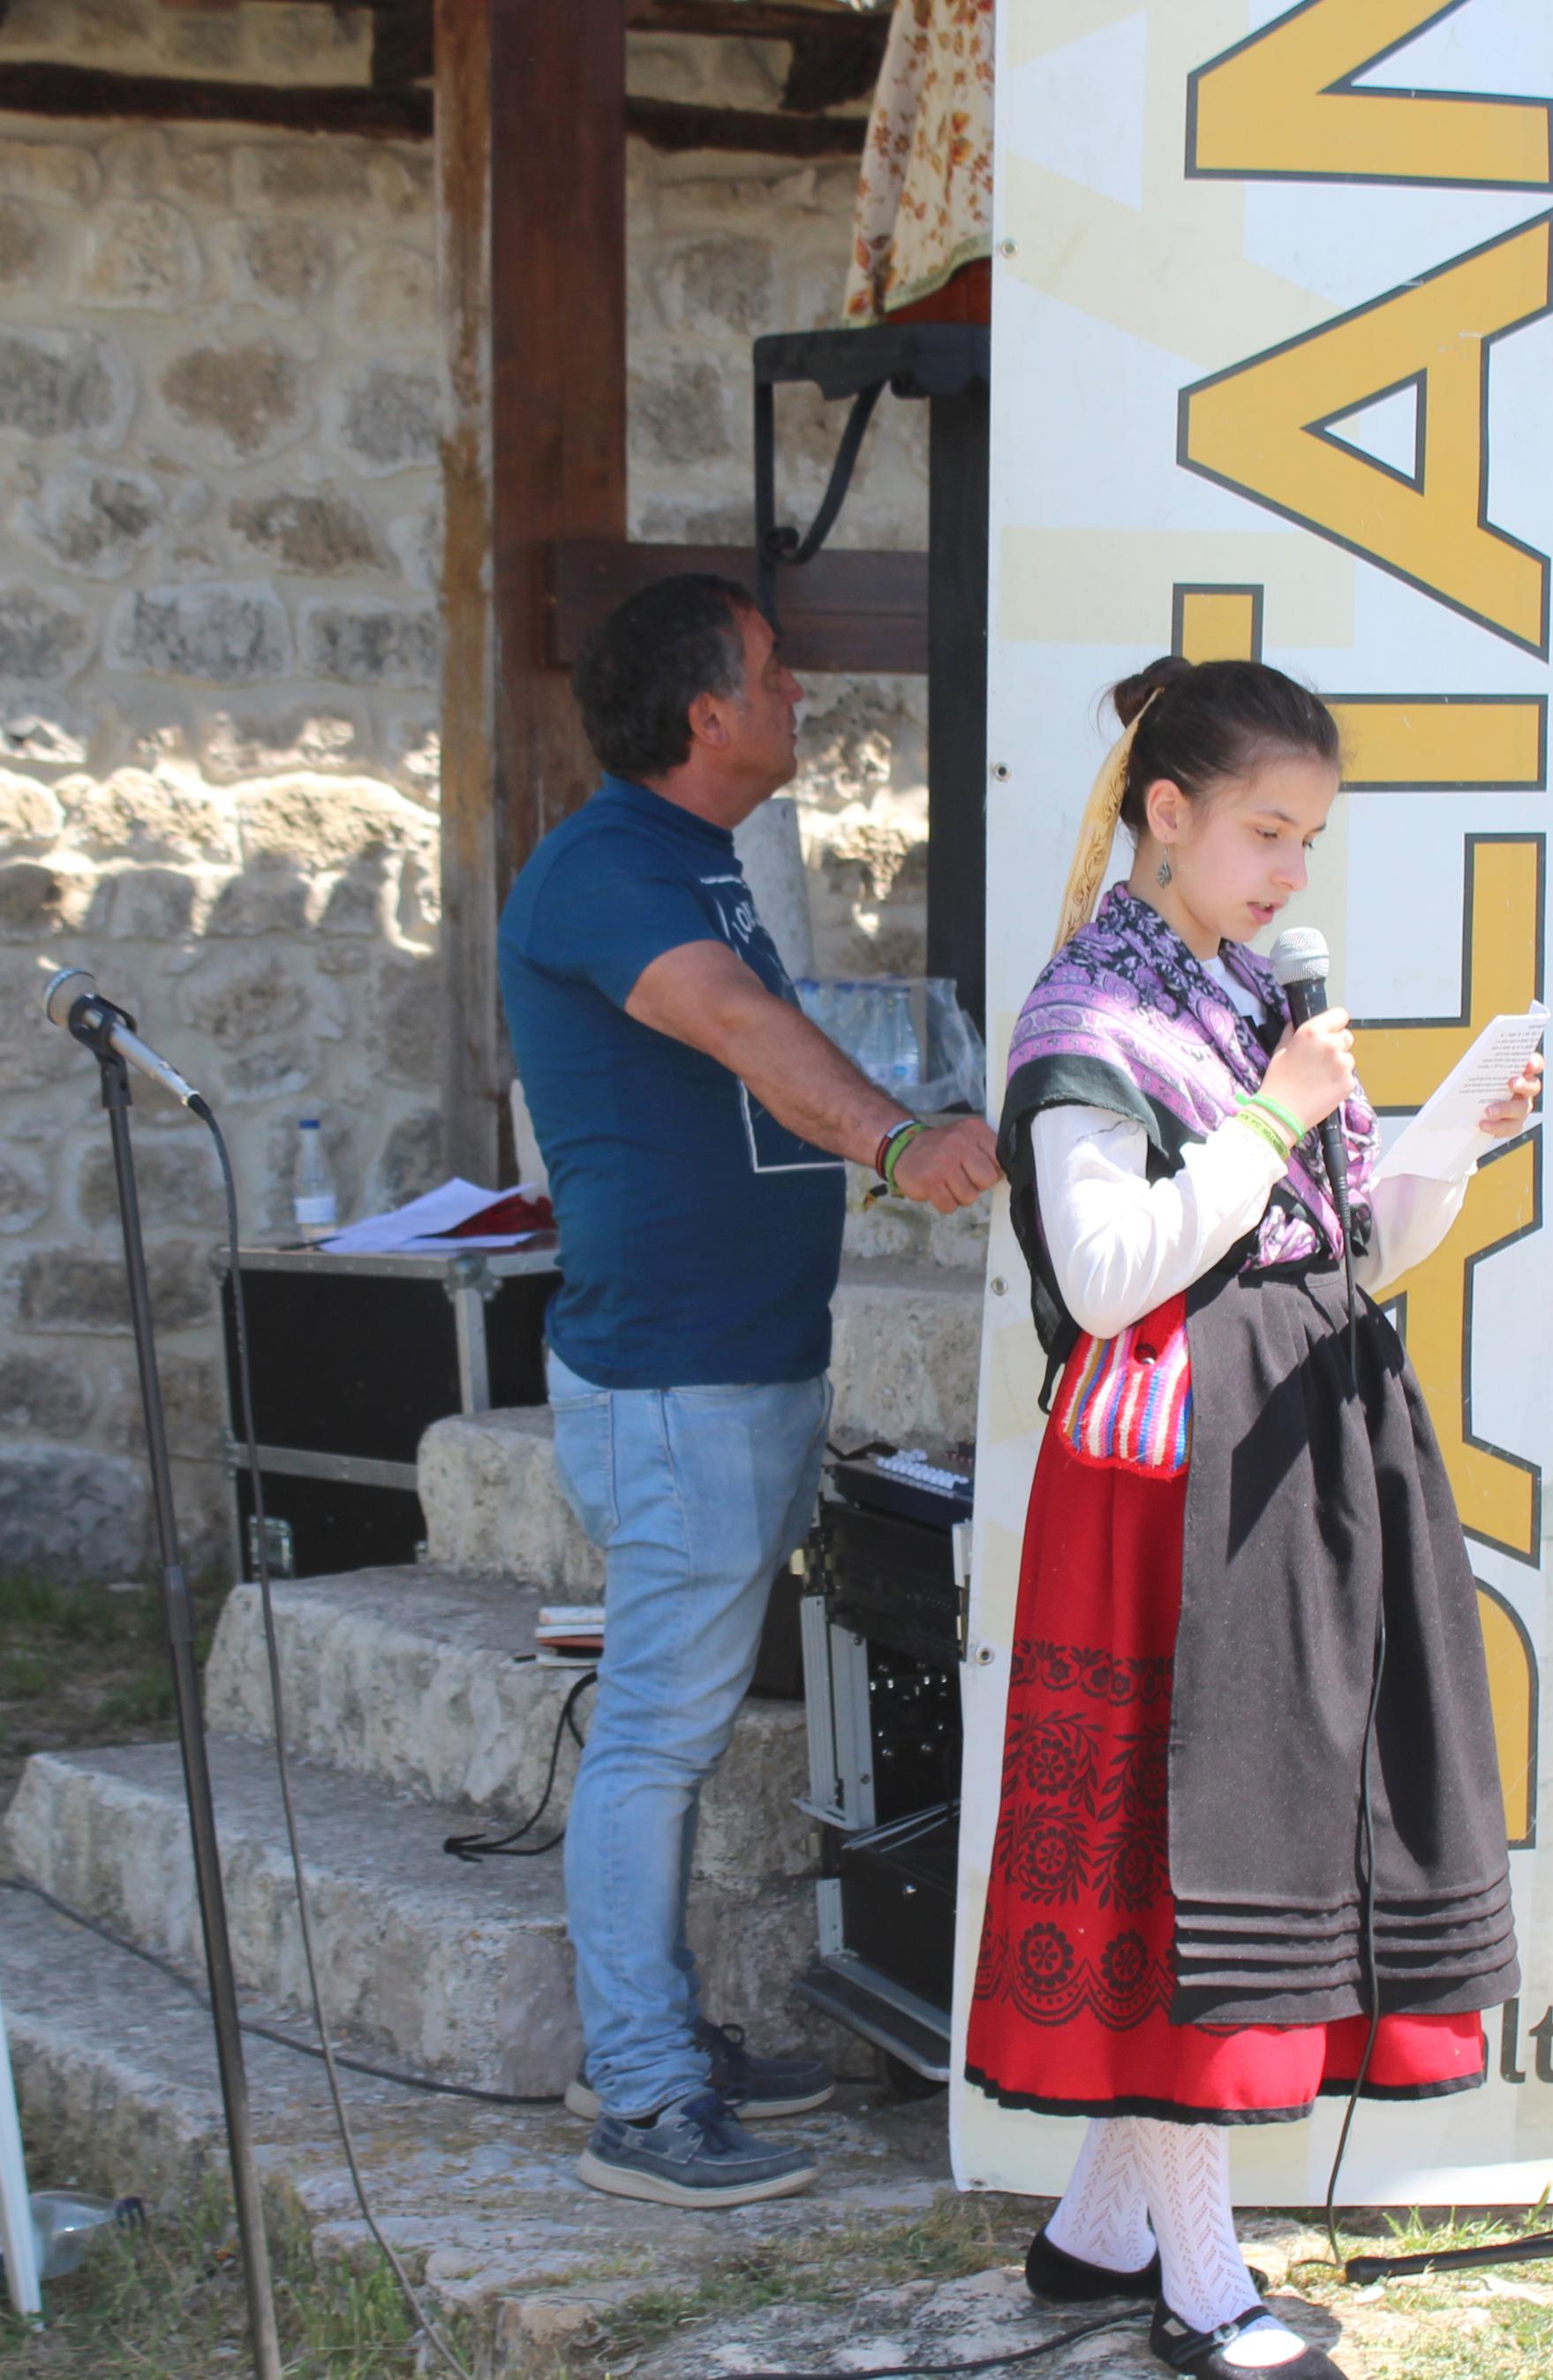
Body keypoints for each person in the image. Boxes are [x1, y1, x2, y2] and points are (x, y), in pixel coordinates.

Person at [971, 659, 1538, 2380]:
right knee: (1190, 1844)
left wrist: (1437, 1135)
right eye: (1264, 832)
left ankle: (1093, 2229)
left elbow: (1347, 1243)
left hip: (1279, 1454)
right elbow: (1108, 1265)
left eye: (1309, 838)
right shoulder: (1092, 1022)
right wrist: (1281, 1109)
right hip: (1169, 1488)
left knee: (1234, 1827)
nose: (1291, 872)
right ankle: (1197, 2281)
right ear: (1165, 814)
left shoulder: (1232, 1003)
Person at [499, 572, 1003, 2210]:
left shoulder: (690, 859)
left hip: (739, 1362)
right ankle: (642, 2098)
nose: (802, 699)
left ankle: (650, 2040)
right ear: (705, 715)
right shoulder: (604, 871)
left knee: (679, 1729)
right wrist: (900, 1140)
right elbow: (727, 1025)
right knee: (653, 1738)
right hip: (677, 1382)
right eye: (777, 677)